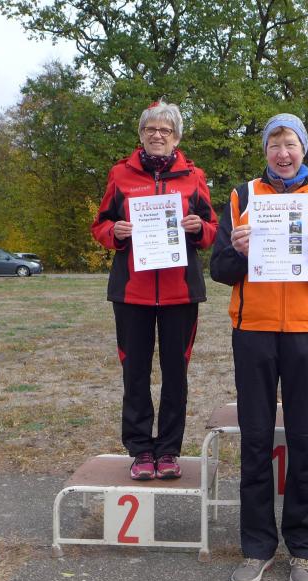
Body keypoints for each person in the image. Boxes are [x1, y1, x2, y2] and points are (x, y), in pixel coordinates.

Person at [210, 114, 308, 581]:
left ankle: (303, 549)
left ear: (303, 149)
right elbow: (219, 269)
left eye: (290, 144)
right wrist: (238, 251)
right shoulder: (242, 196)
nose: (282, 153)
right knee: (255, 441)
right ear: (265, 150)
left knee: (304, 442)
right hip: (253, 331)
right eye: (274, 144)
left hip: (307, 332)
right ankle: (257, 547)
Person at [91, 101, 218, 481]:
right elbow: (100, 225)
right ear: (141, 135)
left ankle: (169, 450)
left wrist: (198, 228)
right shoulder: (120, 174)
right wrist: (114, 232)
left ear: (176, 137)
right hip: (133, 292)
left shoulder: (193, 176)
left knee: (176, 374)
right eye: (151, 129)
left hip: (180, 292)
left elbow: (212, 229)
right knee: (135, 373)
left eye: (165, 130)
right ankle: (141, 450)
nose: (157, 135)